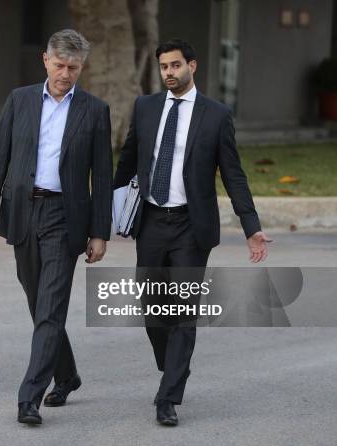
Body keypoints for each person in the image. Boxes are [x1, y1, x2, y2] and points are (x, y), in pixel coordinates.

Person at [113, 39, 271, 426]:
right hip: (151, 222)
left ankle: (168, 396)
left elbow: (233, 174)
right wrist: (109, 214)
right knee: (153, 310)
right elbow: (127, 162)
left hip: (190, 226)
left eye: (175, 65)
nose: (169, 72)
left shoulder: (216, 116)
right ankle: (174, 366)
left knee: (183, 312)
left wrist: (251, 227)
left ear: (192, 67)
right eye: (164, 66)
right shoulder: (146, 108)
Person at [0, 29, 113, 424]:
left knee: (51, 308)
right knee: (40, 306)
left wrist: (100, 232)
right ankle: (67, 375)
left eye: (74, 67)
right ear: (45, 60)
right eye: (60, 65)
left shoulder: (94, 110)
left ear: (81, 67)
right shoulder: (20, 100)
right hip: (22, 211)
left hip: (65, 218)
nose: (66, 74)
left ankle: (29, 397)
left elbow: (101, 177)